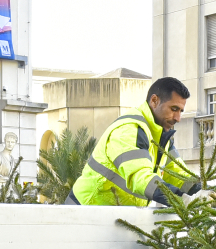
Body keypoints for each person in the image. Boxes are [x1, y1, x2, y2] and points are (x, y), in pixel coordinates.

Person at [68, 78, 207, 207]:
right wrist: (184, 200)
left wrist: (209, 196)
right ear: (154, 101)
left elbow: (179, 176)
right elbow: (141, 178)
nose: (178, 118)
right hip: (84, 212)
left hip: (112, 216)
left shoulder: (161, 137)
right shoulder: (128, 130)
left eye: (181, 111)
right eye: (174, 109)